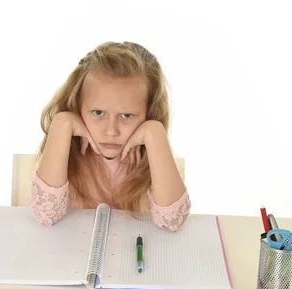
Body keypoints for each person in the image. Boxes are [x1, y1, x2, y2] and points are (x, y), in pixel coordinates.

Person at [29, 41, 190, 231]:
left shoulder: (153, 155)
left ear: (149, 112)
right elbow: (45, 214)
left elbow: (172, 222)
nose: (111, 131)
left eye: (127, 115)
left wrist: (155, 132)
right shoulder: (66, 149)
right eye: (98, 113)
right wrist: (62, 123)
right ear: (78, 105)